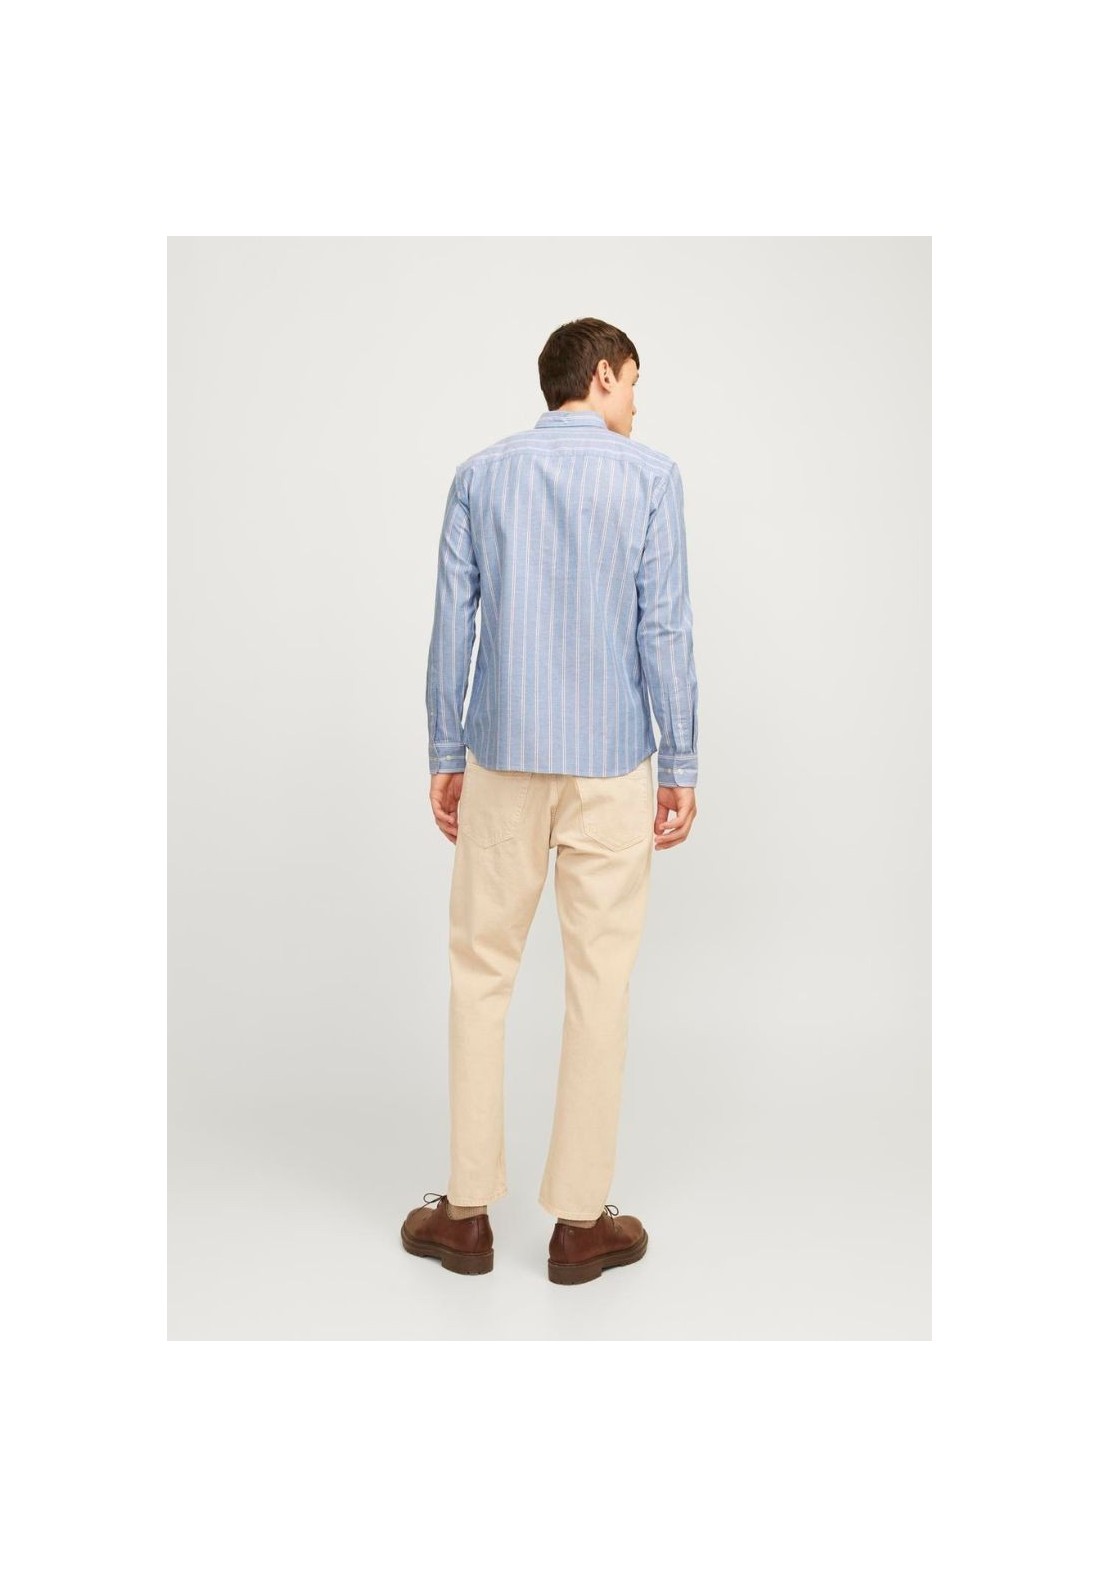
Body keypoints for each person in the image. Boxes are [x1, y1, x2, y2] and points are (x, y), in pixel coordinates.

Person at [403, 317, 699, 1285]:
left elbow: (452, 624)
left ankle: (464, 1214)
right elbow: (663, 629)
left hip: (502, 759)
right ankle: (578, 1224)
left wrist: (444, 748)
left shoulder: (480, 475)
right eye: (632, 382)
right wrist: (680, 761)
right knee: (599, 980)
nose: (636, 403)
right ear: (600, 374)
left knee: (480, 973)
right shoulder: (649, 477)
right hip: (611, 768)